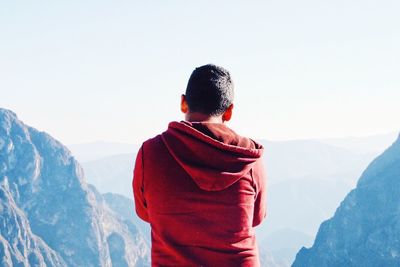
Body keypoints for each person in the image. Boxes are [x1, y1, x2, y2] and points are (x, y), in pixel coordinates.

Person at [132, 64, 267, 267]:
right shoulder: (248, 158)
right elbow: (256, 217)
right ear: (229, 112)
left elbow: (145, 212)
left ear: (183, 103)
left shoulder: (151, 153)